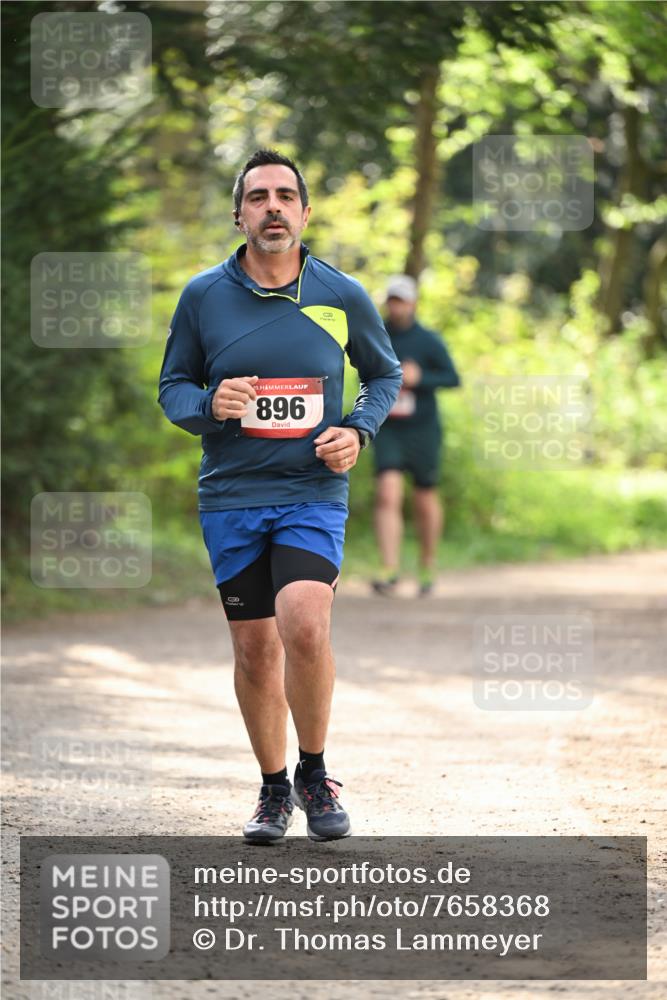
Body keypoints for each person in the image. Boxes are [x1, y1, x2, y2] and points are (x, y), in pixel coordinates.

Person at [158, 149, 401, 843]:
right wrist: (211, 402)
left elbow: (382, 375)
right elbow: (172, 388)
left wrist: (358, 429)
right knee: (254, 651)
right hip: (232, 493)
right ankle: (271, 790)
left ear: (303, 211)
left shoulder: (340, 294)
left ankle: (314, 773)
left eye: (285, 195)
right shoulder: (204, 296)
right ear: (238, 213)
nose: (272, 206)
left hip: (310, 489)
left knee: (303, 623)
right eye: (258, 196)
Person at [371, 275, 460, 597]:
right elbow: (362, 368)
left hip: (422, 428)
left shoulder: (428, 340)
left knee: (424, 497)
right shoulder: (376, 334)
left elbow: (452, 378)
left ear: (413, 303)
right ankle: (389, 568)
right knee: (387, 493)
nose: (397, 306)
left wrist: (420, 377)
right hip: (388, 427)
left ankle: (426, 564)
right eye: (392, 300)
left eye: (403, 300)